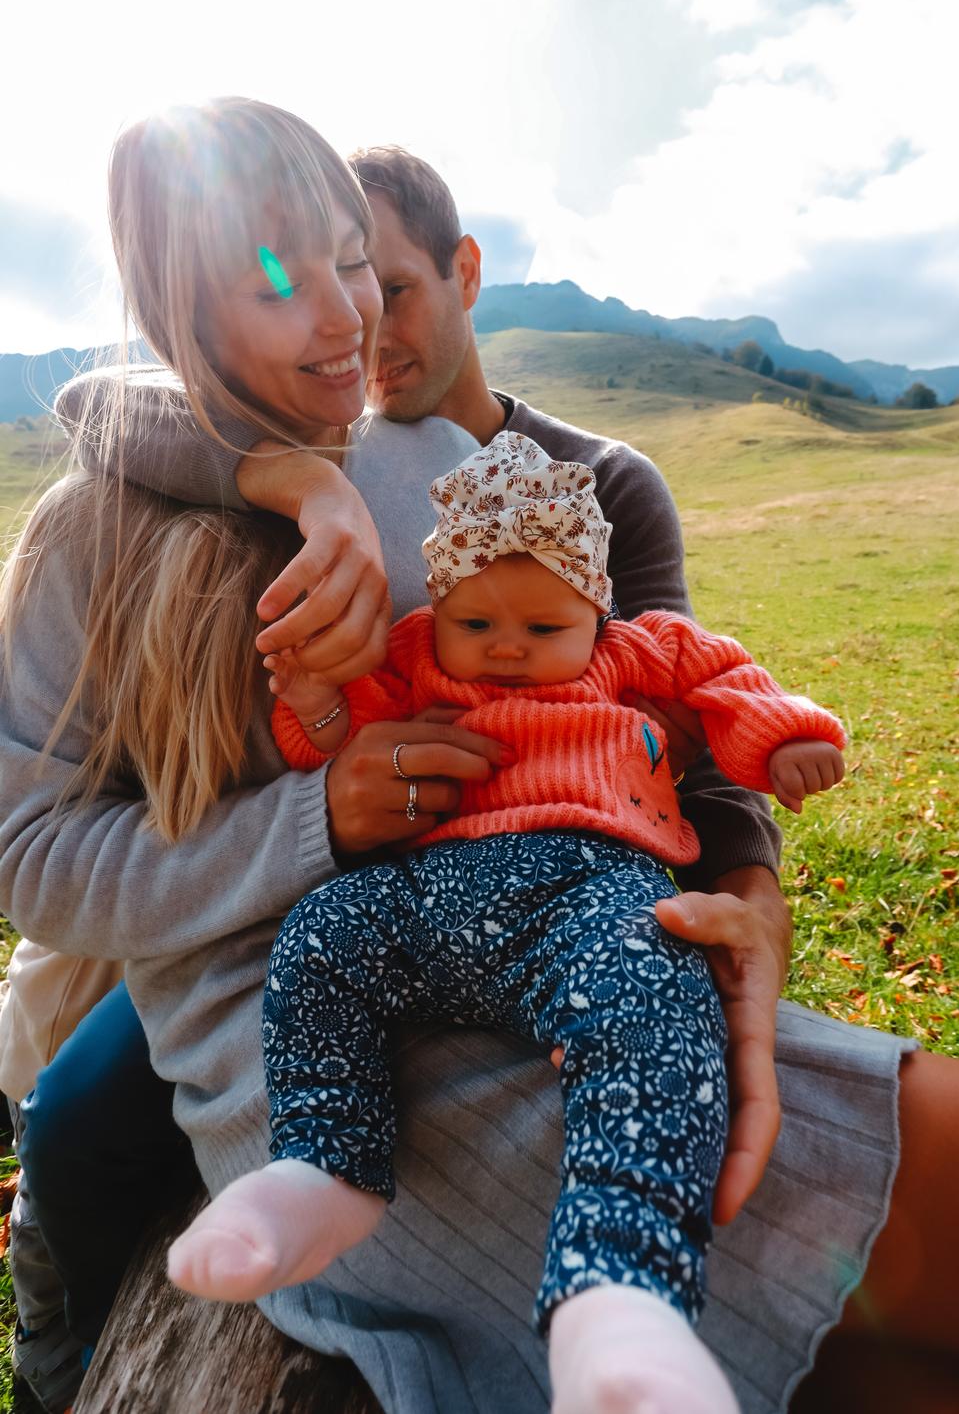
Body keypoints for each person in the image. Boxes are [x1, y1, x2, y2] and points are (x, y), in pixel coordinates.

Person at [3, 128, 959, 1414]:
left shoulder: (456, 478)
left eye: (357, 263)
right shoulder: (89, 536)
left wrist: (746, 871)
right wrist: (316, 818)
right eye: (274, 282)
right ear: (175, 309)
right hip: (315, 1061)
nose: (344, 314)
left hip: (572, 969)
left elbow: (648, 678)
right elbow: (32, 860)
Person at [169, 430, 846, 1414]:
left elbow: (728, 681)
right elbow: (336, 741)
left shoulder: (636, 652)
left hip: (596, 893)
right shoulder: (410, 656)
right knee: (321, 938)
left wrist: (785, 739)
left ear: (595, 611)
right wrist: (315, 699)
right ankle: (326, 1167)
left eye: (543, 627)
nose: (507, 649)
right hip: (429, 896)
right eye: (476, 620)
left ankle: (618, 1295)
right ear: (437, 603)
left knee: (659, 996)